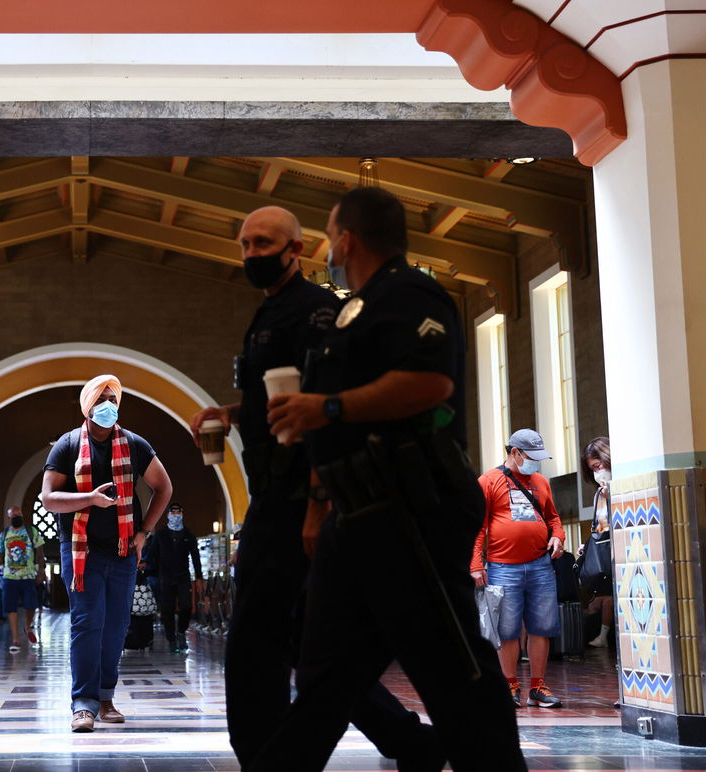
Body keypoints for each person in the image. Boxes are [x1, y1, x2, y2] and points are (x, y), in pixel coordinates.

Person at [256, 188, 525, 770]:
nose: (329, 247)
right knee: (322, 671)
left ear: (346, 238)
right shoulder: (356, 306)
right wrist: (320, 501)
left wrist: (326, 409)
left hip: (410, 509)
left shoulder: (408, 294)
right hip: (354, 512)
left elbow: (428, 385)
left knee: (453, 666)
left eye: (330, 234)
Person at [190, 204, 442, 771]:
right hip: (274, 496)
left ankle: (262, 755)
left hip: (294, 502)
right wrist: (231, 412)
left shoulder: (318, 314)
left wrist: (315, 503)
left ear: (296, 249)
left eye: (263, 243)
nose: (251, 253)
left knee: (254, 642)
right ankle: (411, 743)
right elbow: (278, 402)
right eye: (245, 243)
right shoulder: (269, 313)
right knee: (311, 651)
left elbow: (325, 416)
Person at [41, 374, 173, 733]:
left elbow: (164, 487)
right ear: (87, 406)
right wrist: (89, 499)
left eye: (113, 399)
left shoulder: (133, 444)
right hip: (81, 551)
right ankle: (82, 704)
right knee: (87, 624)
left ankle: (105, 697)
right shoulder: (67, 446)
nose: (108, 406)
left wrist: (144, 531)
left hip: (123, 550)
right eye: (101, 399)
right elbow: (49, 499)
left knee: (116, 626)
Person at [470, 428, 566, 709]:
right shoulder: (488, 481)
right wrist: (476, 564)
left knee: (542, 627)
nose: (536, 462)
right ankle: (510, 685)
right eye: (531, 456)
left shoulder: (541, 482)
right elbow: (478, 526)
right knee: (507, 629)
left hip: (540, 565)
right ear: (515, 453)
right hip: (502, 567)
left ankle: (538, 687)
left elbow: (554, 518)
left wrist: (558, 537)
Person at [144, 502, 204, 652]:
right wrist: (143, 564)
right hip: (165, 576)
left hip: (183, 575)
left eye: (178, 512)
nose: (175, 515)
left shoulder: (188, 535)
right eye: (173, 512)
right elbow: (152, 553)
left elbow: (196, 557)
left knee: (186, 606)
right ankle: (171, 638)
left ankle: (181, 631)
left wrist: (199, 577)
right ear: (168, 514)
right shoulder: (161, 534)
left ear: (182, 514)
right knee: (167, 609)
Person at [0, 505, 46, 653]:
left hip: (28, 575)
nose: (16, 517)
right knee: (11, 608)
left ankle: (27, 626)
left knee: (31, 605)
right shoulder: (4, 534)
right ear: (9, 518)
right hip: (9, 577)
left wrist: (41, 571)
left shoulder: (31, 532)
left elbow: (40, 552)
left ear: (22, 515)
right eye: (13, 515)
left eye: (18, 515)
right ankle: (15, 640)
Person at [580, 436, 613, 648]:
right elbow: (599, 527)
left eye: (598, 466)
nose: (597, 473)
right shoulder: (599, 495)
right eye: (593, 469)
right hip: (608, 563)